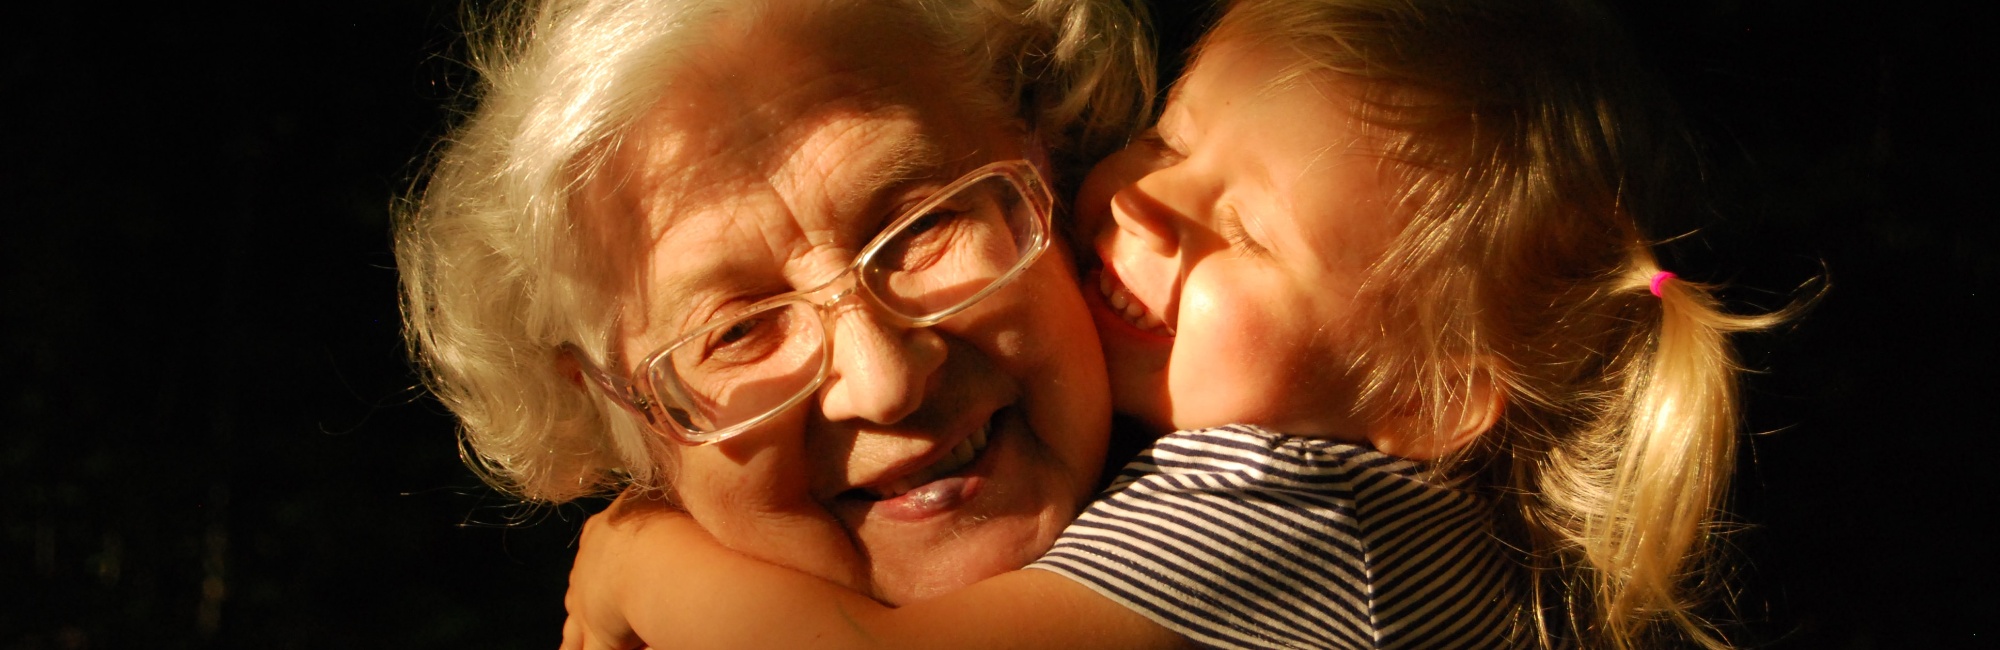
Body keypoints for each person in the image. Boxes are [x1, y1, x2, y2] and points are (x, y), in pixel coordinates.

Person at [561, 0, 1806, 648]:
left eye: (1248, 235)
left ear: (1424, 396)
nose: (1144, 204)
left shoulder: (1298, 512)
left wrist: (636, 560)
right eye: (1169, 139)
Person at [395, 0, 1155, 610]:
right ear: (616, 410)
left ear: (1047, 169)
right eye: (739, 330)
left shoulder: (1227, 479)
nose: (885, 384)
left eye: (919, 228)